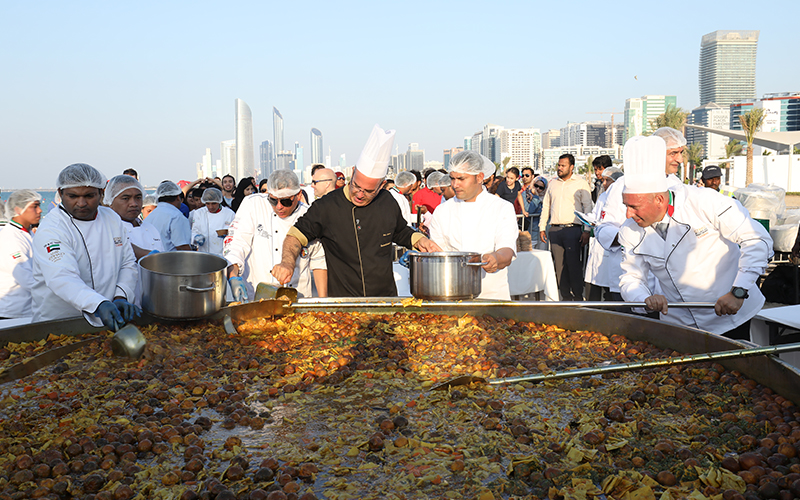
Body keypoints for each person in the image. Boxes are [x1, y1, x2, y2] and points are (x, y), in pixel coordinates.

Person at [618, 135, 773, 338]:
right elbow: (631, 276)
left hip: (732, 314)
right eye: (626, 206)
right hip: (679, 324)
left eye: (634, 207)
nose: (628, 214)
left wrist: (739, 291)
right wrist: (644, 298)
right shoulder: (630, 230)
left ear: (658, 199)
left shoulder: (703, 201)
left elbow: (757, 241)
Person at [272, 124, 441, 297]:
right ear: (352, 173)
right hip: (345, 304)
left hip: (384, 301)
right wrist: (287, 262)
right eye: (356, 186)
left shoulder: (387, 201)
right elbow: (295, 236)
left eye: (369, 191)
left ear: (382, 185)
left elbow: (400, 231)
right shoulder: (327, 207)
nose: (360, 195)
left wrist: (420, 241)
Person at [30, 164, 140, 330]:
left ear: (101, 193)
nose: (81, 203)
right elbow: (62, 277)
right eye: (73, 196)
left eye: (89, 196)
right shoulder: (52, 228)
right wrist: (98, 303)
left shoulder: (111, 218)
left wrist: (121, 295)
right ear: (60, 193)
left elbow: (127, 262)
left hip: (108, 318)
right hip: (60, 323)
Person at [594, 127, 687, 303]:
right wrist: (631, 239)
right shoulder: (623, 184)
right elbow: (603, 228)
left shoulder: (678, 186)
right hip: (630, 276)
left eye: (681, 153)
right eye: (674, 153)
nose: (680, 160)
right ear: (656, 154)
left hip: (669, 284)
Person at [429, 151, 518, 300]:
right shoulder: (442, 210)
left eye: (461, 179)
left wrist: (496, 258)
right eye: (452, 178)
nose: (455, 184)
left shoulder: (501, 207)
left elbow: (507, 250)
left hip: (491, 294)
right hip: (451, 292)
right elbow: (438, 253)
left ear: (480, 177)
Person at [225, 170, 326, 300]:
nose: (279, 207)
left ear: (298, 195)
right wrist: (233, 276)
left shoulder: (309, 216)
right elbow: (237, 243)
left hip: (298, 297)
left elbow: (319, 262)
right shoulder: (253, 205)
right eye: (273, 201)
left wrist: (323, 301)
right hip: (256, 296)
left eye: (286, 202)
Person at [539, 153, 593, 301]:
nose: (559, 168)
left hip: (573, 230)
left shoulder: (581, 183)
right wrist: (542, 227)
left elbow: (588, 208)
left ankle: (577, 296)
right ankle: (564, 296)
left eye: (563, 165)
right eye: (559, 165)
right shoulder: (552, 183)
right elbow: (546, 206)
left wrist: (587, 231)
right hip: (555, 230)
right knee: (559, 266)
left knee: (574, 264)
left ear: (571, 167)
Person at [104, 175, 163, 306]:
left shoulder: (151, 228)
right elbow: (123, 249)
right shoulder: (106, 228)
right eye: (125, 198)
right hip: (120, 302)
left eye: (138, 197)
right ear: (110, 202)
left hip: (152, 301)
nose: (134, 203)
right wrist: (152, 256)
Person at [0, 190, 42, 319]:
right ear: (18, 209)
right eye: (34, 206)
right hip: (14, 311)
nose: (40, 210)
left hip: (29, 307)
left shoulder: (28, 233)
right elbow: (25, 277)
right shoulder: (10, 237)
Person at [583, 167, 623, 301]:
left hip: (613, 244)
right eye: (603, 180)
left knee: (610, 286)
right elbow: (596, 214)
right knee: (594, 280)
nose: (604, 183)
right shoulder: (602, 196)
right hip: (599, 241)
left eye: (608, 180)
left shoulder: (621, 197)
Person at [146, 181, 193, 251]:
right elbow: (182, 246)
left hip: (153, 259)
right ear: (178, 197)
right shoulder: (176, 216)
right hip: (172, 260)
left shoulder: (150, 216)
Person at [191, 188, 235, 256]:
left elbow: (235, 234)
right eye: (208, 204)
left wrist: (228, 236)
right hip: (204, 253)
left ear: (219, 201)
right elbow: (194, 231)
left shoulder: (230, 214)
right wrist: (196, 238)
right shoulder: (199, 213)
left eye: (214, 203)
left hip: (223, 254)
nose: (210, 207)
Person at [523, 176, 548, 250]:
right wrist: (536, 198)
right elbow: (529, 210)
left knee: (542, 256)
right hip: (530, 232)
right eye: (536, 186)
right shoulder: (526, 194)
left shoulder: (546, 197)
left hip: (543, 232)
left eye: (541, 187)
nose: (538, 189)